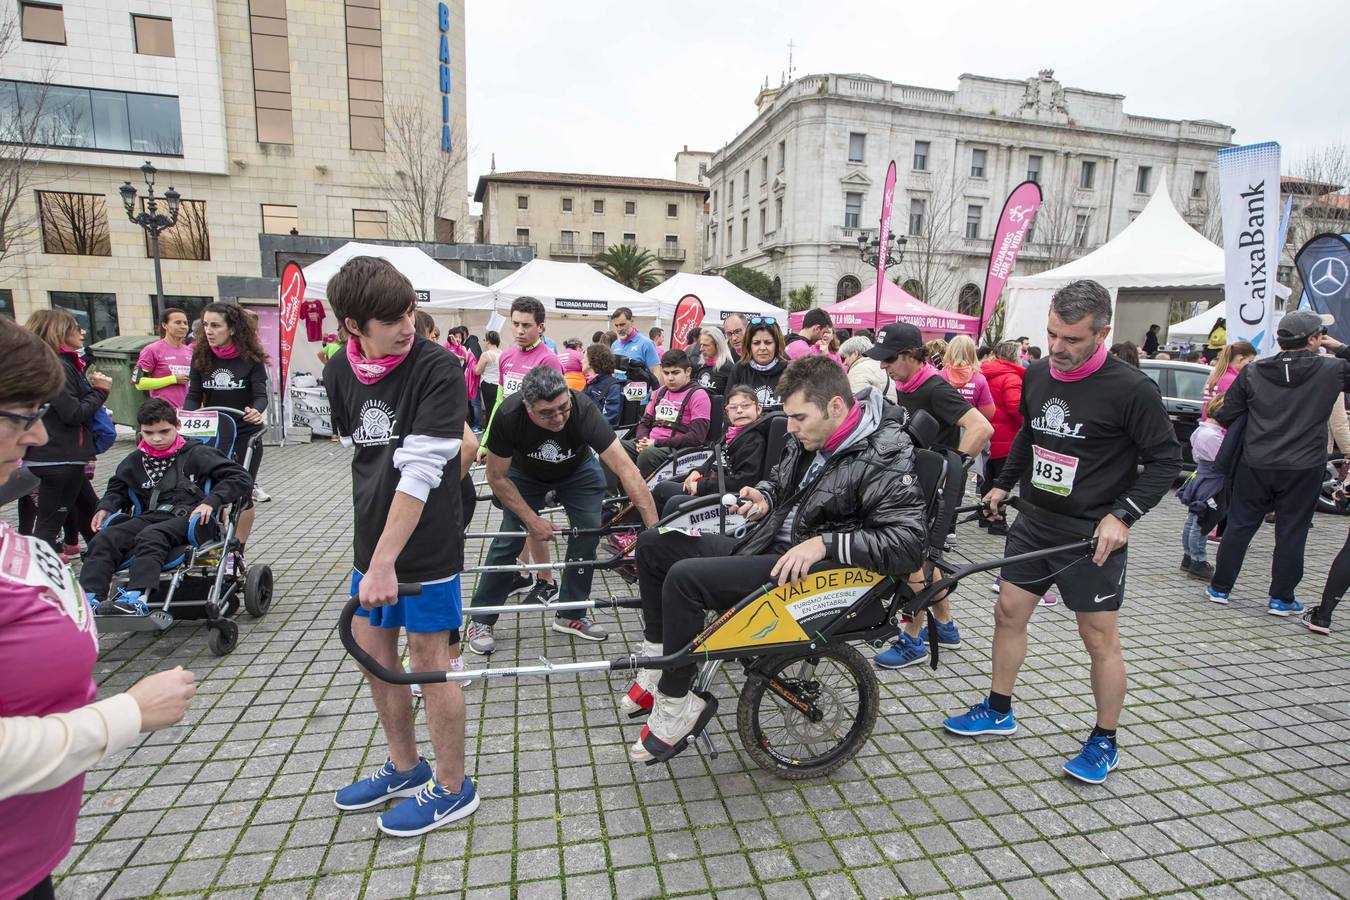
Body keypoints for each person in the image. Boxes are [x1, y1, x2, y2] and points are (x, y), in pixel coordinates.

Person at [624, 355, 927, 756]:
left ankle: (678, 699)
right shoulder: (813, 436)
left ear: (836, 406)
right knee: (654, 543)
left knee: (685, 578)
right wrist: (764, 497)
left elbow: (908, 542)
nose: (792, 426)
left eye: (800, 417)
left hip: (815, 573)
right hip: (770, 545)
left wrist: (827, 543)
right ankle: (660, 660)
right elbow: (780, 482)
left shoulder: (885, 453)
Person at [944, 279, 1181, 785]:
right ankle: (998, 708)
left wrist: (1125, 515)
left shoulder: (1131, 389)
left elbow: (1167, 460)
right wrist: (1003, 486)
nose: (1058, 348)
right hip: (1034, 523)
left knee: (1098, 639)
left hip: (1091, 536)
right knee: (1007, 613)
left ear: (1102, 333)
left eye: (1072, 340)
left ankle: (1104, 739)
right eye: (1052, 335)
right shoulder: (1036, 373)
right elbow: (1031, 433)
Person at [0, 317, 196, 900]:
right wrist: (128, 713)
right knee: (110, 539)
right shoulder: (135, 464)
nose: (37, 435)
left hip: (27, 858)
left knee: (155, 538)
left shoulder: (190, 458)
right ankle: (106, 586)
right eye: (22, 416)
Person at [323, 255, 478, 836]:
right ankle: (406, 768)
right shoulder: (340, 371)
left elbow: (419, 472)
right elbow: (358, 451)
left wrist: (386, 561)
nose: (406, 324)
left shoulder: (438, 367)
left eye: (409, 310)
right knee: (377, 660)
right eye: (390, 319)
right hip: (371, 545)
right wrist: (371, 556)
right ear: (352, 327)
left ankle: (453, 786)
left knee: (432, 665)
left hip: (427, 549)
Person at [467, 366, 658, 654]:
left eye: (562, 408)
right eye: (547, 413)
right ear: (527, 406)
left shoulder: (582, 409)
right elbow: (496, 477)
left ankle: (571, 613)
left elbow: (626, 469)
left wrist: (654, 529)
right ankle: (482, 617)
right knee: (510, 538)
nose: (558, 418)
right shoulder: (508, 416)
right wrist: (532, 520)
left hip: (577, 470)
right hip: (523, 475)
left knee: (588, 534)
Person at [866, 322, 994, 668]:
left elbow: (983, 426)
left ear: (910, 356)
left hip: (929, 491)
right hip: (914, 487)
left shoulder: (935, 388)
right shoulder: (909, 382)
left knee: (914, 561)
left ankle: (912, 641)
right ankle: (946, 625)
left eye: (889, 359)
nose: (883, 366)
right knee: (925, 557)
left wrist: (951, 472)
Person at [1206, 312, 1350, 617]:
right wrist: (1339, 347)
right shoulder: (1331, 369)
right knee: (1292, 531)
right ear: (1313, 339)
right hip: (1304, 465)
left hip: (1256, 461)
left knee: (1241, 525)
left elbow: (1227, 413)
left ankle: (1220, 587)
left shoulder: (1254, 371)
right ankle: (1281, 598)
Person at [79, 400, 252, 616]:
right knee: (106, 538)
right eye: (149, 433)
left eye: (164, 431)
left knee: (151, 535)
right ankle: (89, 598)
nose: (157, 438)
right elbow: (118, 488)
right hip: (150, 515)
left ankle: (136, 597)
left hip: (192, 519)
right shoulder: (135, 460)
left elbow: (239, 477)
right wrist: (105, 507)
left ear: (177, 426)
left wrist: (212, 501)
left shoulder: (197, 453)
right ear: (140, 431)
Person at [183, 302, 269, 572]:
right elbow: (194, 396)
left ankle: (237, 552)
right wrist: (184, 418)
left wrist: (257, 410)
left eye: (215, 325)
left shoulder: (250, 359)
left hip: (245, 434)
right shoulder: (201, 356)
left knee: (242, 492)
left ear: (232, 328)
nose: (208, 331)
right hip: (213, 433)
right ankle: (214, 543)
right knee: (211, 489)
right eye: (205, 325)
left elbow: (261, 394)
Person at [22, 311, 111, 554]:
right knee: (49, 526)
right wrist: (100, 391)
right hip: (59, 456)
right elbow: (72, 413)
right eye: (75, 327)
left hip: (63, 455)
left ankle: (104, 563)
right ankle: (41, 578)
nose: (81, 332)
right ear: (59, 332)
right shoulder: (56, 366)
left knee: (90, 512)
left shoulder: (53, 363)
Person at [650, 385, 771, 515]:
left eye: (745, 405)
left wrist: (701, 486)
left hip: (732, 498)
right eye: (733, 407)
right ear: (727, 412)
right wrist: (698, 471)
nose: (739, 410)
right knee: (661, 488)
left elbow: (744, 481)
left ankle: (656, 534)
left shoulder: (754, 439)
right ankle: (644, 532)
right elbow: (716, 458)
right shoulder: (732, 434)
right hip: (714, 485)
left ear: (758, 409)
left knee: (674, 502)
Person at [621, 349, 711, 477]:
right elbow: (644, 423)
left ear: (688, 371)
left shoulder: (699, 396)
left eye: (675, 373)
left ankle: (641, 495)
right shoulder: (661, 391)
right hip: (651, 444)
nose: (670, 378)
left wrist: (656, 443)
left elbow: (697, 437)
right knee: (615, 448)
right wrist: (643, 440)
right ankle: (618, 493)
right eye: (666, 373)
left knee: (647, 455)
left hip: (676, 449)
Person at [1176, 395, 1226, 581]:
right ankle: (1198, 560)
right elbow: (1221, 461)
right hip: (1211, 480)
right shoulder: (1212, 436)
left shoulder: (1201, 430)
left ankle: (1189, 557)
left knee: (1193, 519)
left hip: (1201, 476)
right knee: (1202, 521)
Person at [980, 340, 1025, 537]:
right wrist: (1025, 424)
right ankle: (998, 522)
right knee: (1002, 481)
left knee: (987, 478)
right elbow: (1015, 405)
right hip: (1006, 437)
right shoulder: (1011, 377)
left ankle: (984, 515)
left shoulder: (985, 372)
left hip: (986, 433)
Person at [135, 307, 193, 409]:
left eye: (185, 323)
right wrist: (172, 379)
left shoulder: (190, 351)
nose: (183, 326)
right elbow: (139, 383)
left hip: (188, 413)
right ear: (164, 325)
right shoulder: (151, 350)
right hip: (163, 412)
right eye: (178, 322)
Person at [728, 317, 788, 411]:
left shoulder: (790, 371)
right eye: (756, 343)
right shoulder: (739, 369)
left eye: (768, 342)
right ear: (749, 345)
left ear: (777, 344)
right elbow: (727, 409)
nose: (762, 348)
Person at [940, 336, 995, 420]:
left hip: (943, 427)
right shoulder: (979, 379)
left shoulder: (939, 376)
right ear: (973, 353)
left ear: (949, 351)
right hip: (970, 428)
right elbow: (988, 413)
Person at [1202, 341, 1256, 420]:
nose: (1251, 365)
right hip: (1222, 428)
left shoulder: (1216, 375)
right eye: (1250, 361)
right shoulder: (1233, 380)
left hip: (1209, 424)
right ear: (1240, 359)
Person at [610, 307, 661, 380]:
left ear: (632, 322)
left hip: (642, 389)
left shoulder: (646, 343)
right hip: (618, 390)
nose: (619, 329)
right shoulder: (614, 345)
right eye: (616, 325)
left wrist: (655, 391)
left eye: (622, 324)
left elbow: (656, 372)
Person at [840, 335, 896, 402]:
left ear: (855, 353)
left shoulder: (858, 371)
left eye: (845, 358)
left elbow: (857, 405)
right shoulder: (880, 365)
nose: (845, 362)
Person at [582, 342, 623, 425]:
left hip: (599, 433)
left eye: (584, 358)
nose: (581, 361)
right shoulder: (591, 383)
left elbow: (609, 418)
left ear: (591, 362)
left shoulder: (613, 387)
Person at [691, 327, 734, 394]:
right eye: (701, 345)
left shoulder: (729, 369)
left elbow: (730, 397)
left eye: (706, 345)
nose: (701, 349)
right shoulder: (701, 366)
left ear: (718, 346)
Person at [475, 330, 502, 416]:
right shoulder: (503, 353)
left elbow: (477, 371)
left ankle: (489, 428)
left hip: (488, 384)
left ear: (488, 341)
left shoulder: (486, 355)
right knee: (497, 408)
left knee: (489, 408)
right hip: (499, 384)